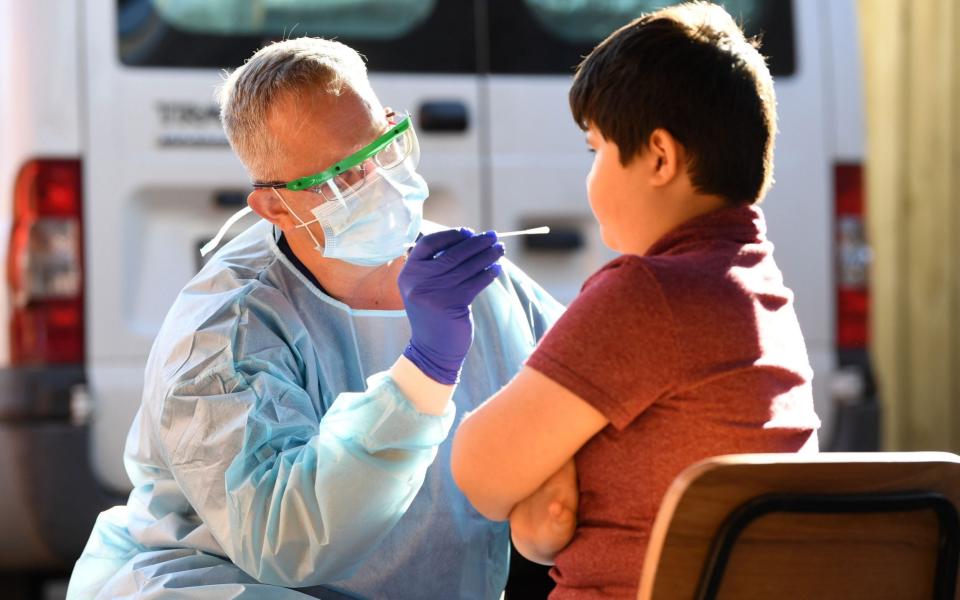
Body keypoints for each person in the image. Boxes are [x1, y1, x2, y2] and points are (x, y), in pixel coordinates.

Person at [66, 38, 562, 600]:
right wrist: (425, 371)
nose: (377, 178)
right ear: (276, 206)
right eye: (342, 176)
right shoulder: (224, 333)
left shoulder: (474, 288)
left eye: (384, 145)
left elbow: (587, 398)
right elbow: (287, 540)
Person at [448, 3, 822, 598]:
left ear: (659, 157)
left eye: (594, 149)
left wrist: (548, 476)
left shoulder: (648, 294)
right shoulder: (760, 290)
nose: (590, 174)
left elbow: (478, 472)